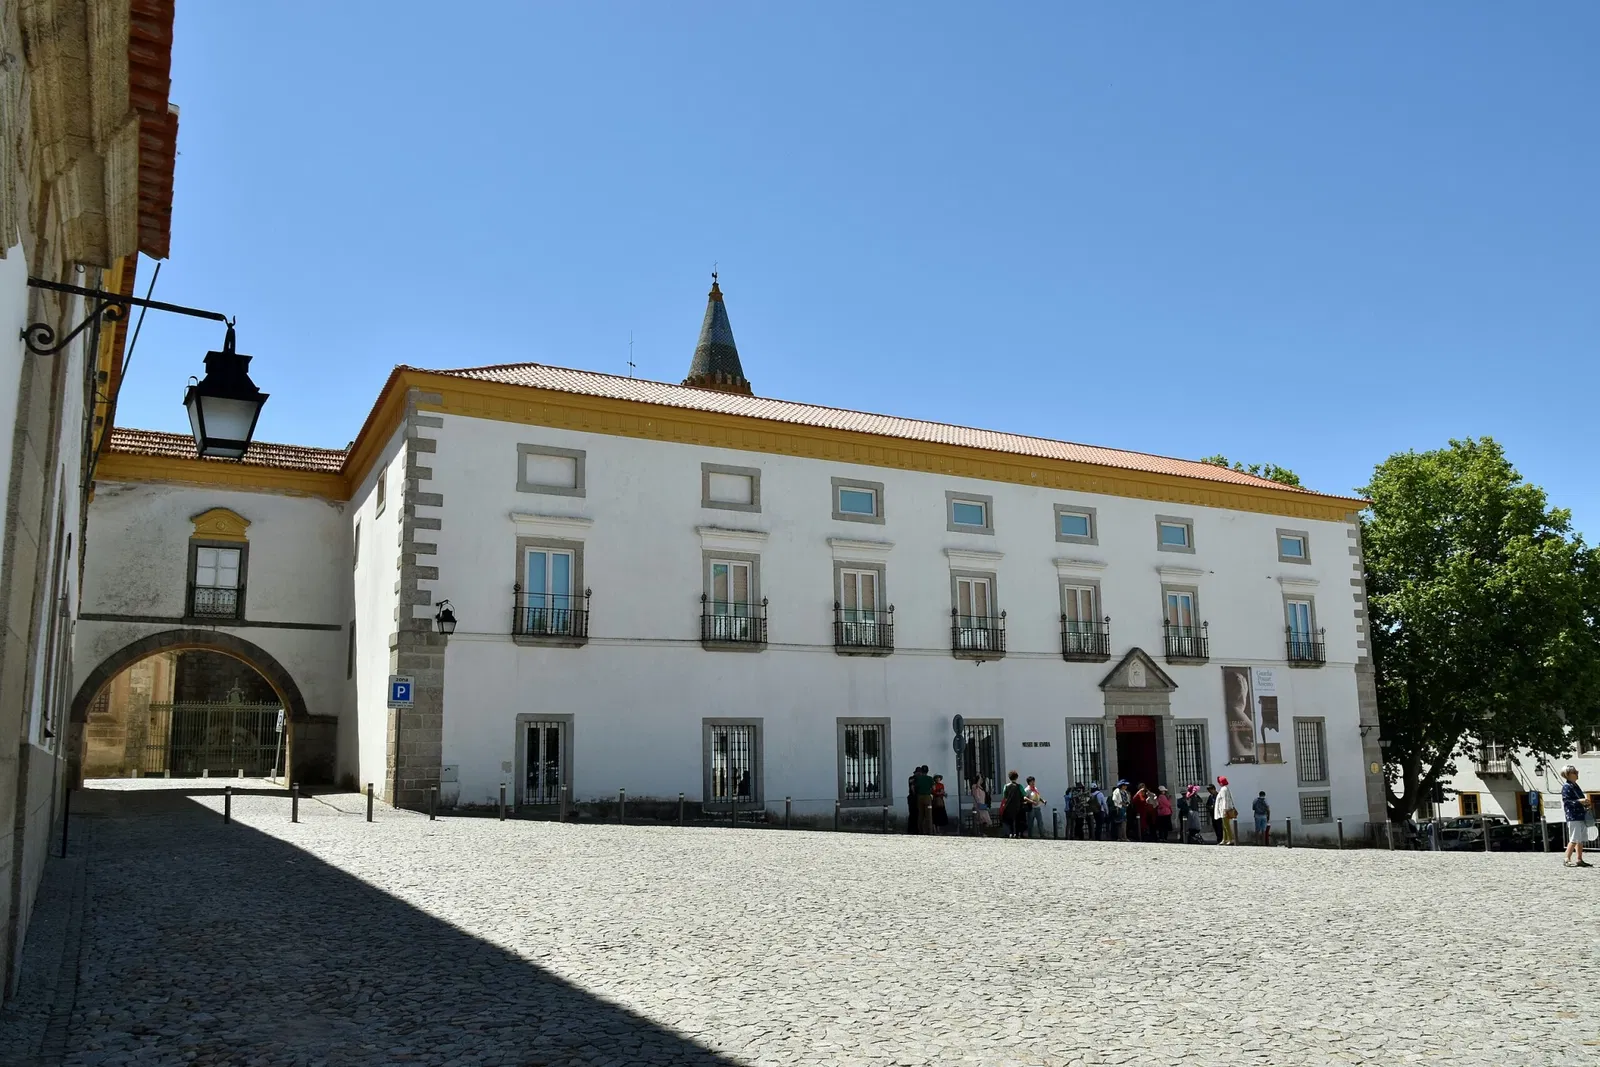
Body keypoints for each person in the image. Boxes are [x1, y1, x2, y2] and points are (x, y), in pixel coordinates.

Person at [1561, 765, 1592, 868]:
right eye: (1574, 772)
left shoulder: (1575, 786)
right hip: (1573, 816)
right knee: (1574, 838)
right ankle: (1566, 859)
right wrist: (1580, 801)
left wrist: (1586, 804)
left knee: (1580, 839)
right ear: (1568, 774)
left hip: (1581, 815)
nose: (1577, 773)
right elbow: (1567, 802)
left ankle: (1579, 859)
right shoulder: (1566, 786)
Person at [1001, 771, 1027, 839]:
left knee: (1010, 820)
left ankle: (1011, 833)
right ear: (1016, 778)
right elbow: (1024, 794)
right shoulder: (1019, 786)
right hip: (1018, 806)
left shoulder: (1006, 786)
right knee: (1018, 820)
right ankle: (1017, 834)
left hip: (1009, 806)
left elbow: (1004, 796)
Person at [1215, 775, 1238, 845]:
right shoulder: (1225, 789)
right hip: (1224, 809)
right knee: (1224, 826)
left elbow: (1225, 800)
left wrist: (1225, 810)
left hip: (1224, 810)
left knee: (1226, 825)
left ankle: (1230, 839)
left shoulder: (1223, 789)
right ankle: (1224, 839)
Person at [914, 765, 936, 834]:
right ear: (927, 771)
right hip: (927, 797)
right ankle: (929, 831)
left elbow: (915, 788)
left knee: (920, 815)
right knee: (928, 815)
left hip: (919, 797)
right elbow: (934, 788)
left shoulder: (918, 778)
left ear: (921, 771)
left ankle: (920, 831)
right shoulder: (930, 778)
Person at [906, 768, 919, 834]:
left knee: (914, 814)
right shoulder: (912, 778)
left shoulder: (912, 778)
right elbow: (912, 787)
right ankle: (912, 829)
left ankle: (913, 829)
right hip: (913, 798)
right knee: (913, 814)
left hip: (913, 798)